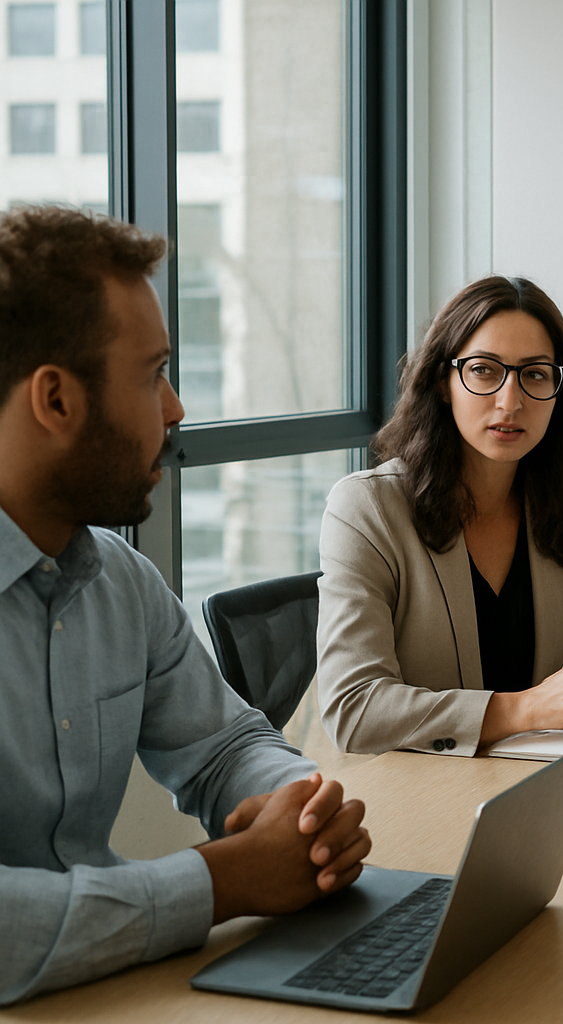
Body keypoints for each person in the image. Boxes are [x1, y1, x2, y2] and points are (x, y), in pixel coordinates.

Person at [0, 206, 371, 1005]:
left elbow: (224, 746)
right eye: (152, 374)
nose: (174, 410)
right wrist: (222, 882)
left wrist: (298, 811)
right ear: (56, 401)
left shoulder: (122, 583)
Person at [316, 276, 563, 755]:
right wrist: (525, 709)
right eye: (484, 371)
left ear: (557, 392)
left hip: (528, 782)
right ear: (444, 382)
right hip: (409, 796)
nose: (511, 401)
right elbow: (354, 709)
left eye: (535, 374)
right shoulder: (367, 509)